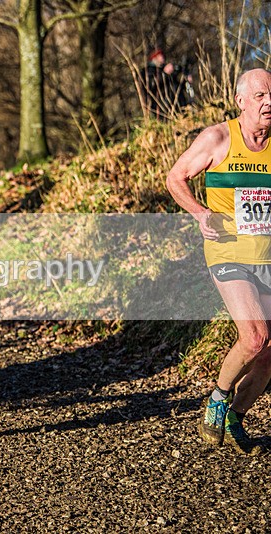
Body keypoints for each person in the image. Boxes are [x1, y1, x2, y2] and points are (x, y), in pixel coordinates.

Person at [166, 68, 271, 456]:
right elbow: (176, 178)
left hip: (267, 256)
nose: (269, 102)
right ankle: (218, 397)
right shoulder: (219, 138)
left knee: (268, 354)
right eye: (260, 95)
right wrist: (199, 212)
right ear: (241, 101)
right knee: (254, 337)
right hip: (228, 253)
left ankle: (236, 416)